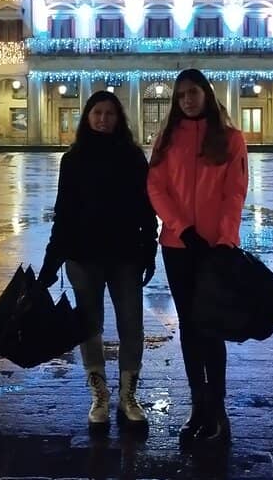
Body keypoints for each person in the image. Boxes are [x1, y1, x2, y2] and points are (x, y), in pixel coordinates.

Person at [37, 90, 158, 431]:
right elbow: (64, 214)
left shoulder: (133, 157)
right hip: (83, 256)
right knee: (89, 327)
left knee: (131, 325)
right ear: (87, 117)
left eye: (109, 113)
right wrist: (51, 263)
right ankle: (99, 394)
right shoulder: (73, 159)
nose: (103, 119)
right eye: (97, 113)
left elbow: (146, 209)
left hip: (125, 255)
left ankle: (128, 395)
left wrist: (149, 249)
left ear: (118, 118)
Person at [147, 68, 248, 447]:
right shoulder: (167, 139)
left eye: (193, 92)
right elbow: (155, 187)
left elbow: (234, 193)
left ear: (207, 93)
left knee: (211, 326)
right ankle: (198, 404)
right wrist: (180, 226)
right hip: (178, 246)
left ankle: (217, 407)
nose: (188, 99)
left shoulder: (231, 139)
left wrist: (225, 241)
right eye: (181, 94)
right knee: (189, 326)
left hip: (214, 248)